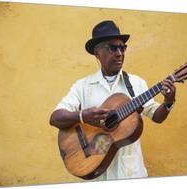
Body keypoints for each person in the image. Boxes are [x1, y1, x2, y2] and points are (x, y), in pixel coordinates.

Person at [49, 20, 176, 180]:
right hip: (97, 175)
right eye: (112, 48)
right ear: (97, 53)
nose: (119, 53)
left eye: (122, 47)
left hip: (131, 174)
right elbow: (55, 118)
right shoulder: (83, 86)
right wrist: (82, 116)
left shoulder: (137, 83)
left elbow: (157, 116)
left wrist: (168, 102)